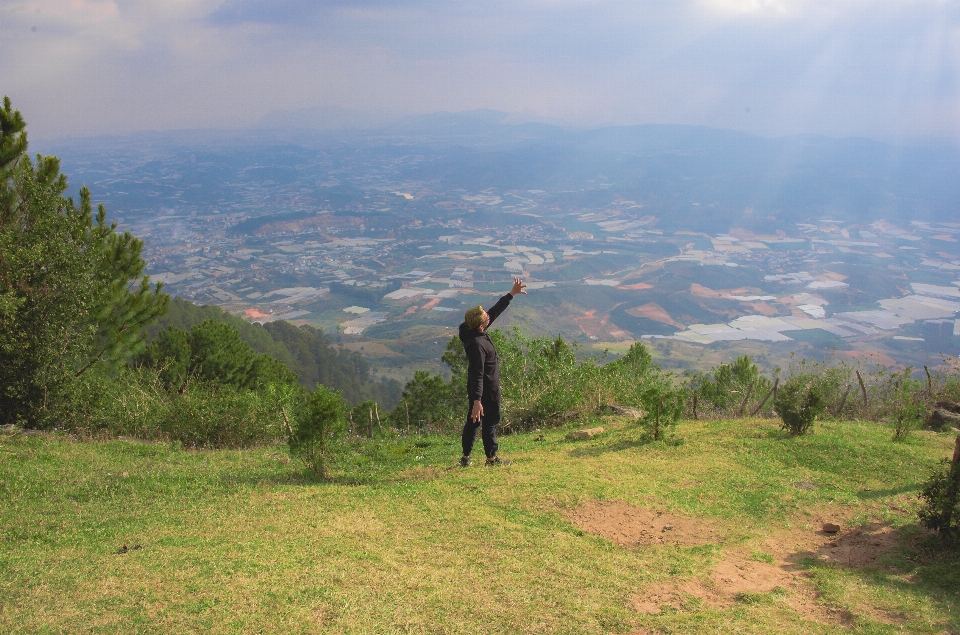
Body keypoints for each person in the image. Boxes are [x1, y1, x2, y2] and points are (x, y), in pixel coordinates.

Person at [458, 276, 527, 467]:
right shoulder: (477, 345)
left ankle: (465, 458)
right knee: (489, 422)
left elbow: (493, 312)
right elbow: (477, 373)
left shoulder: (470, 330)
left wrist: (511, 294)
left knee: (473, 421)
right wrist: (478, 401)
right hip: (486, 391)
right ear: (481, 326)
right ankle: (491, 459)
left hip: (477, 390)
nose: (489, 317)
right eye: (485, 319)